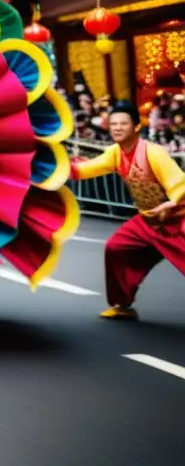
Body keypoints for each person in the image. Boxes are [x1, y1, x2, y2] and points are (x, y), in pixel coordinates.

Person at [71, 100, 185, 320]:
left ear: (136, 127)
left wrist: (169, 205)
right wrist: (54, 164)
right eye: (113, 124)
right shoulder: (115, 153)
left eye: (123, 123)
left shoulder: (154, 153)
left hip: (175, 220)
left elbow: (179, 185)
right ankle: (122, 305)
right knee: (116, 248)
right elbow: (85, 170)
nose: (117, 128)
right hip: (148, 222)